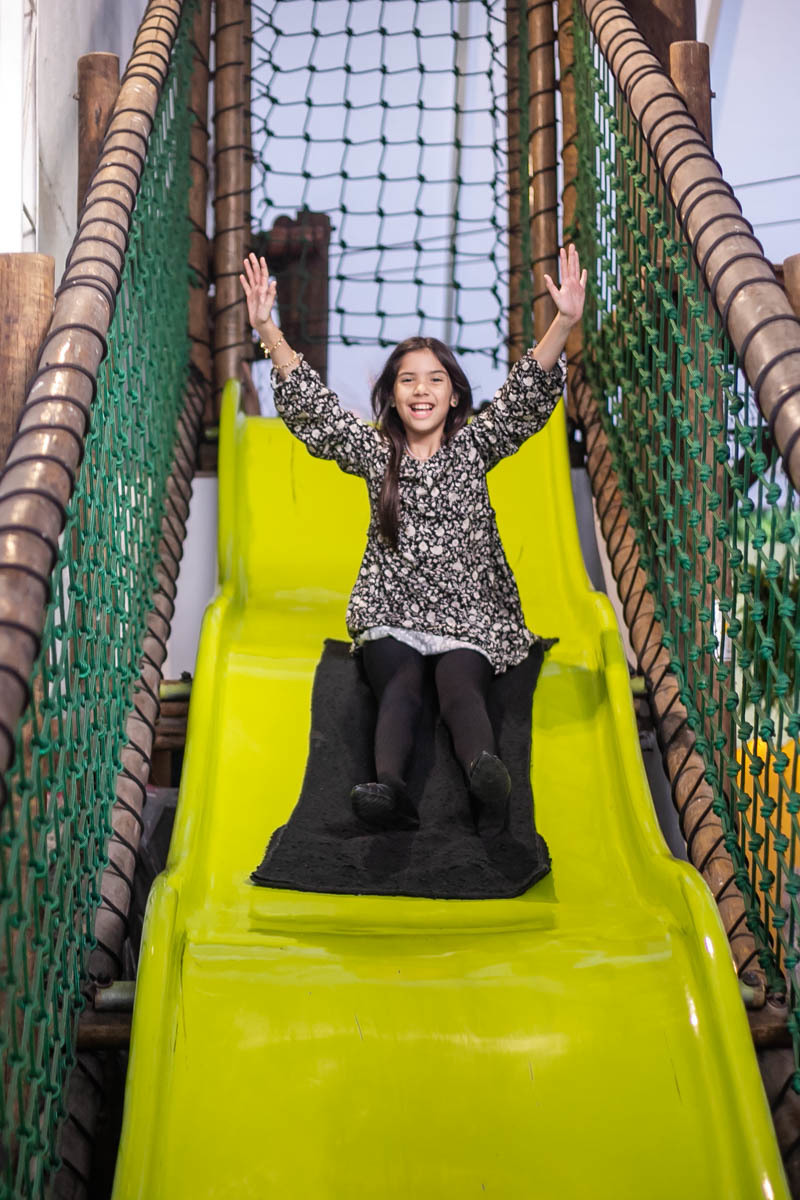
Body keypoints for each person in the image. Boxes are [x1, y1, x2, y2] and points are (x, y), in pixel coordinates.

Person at [240, 247, 587, 835]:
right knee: (398, 685)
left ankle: (485, 772)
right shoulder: (379, 453)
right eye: (407, 380)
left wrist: (564, 322)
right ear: (393, 397)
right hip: (393, 610)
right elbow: (316, 413)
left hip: (467, 613)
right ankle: (390, 791)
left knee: (458, 688)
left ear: (454, 394)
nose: (421, 390)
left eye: (435, 380)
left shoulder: (474, 447)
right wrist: (267, 328)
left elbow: (525, 398)